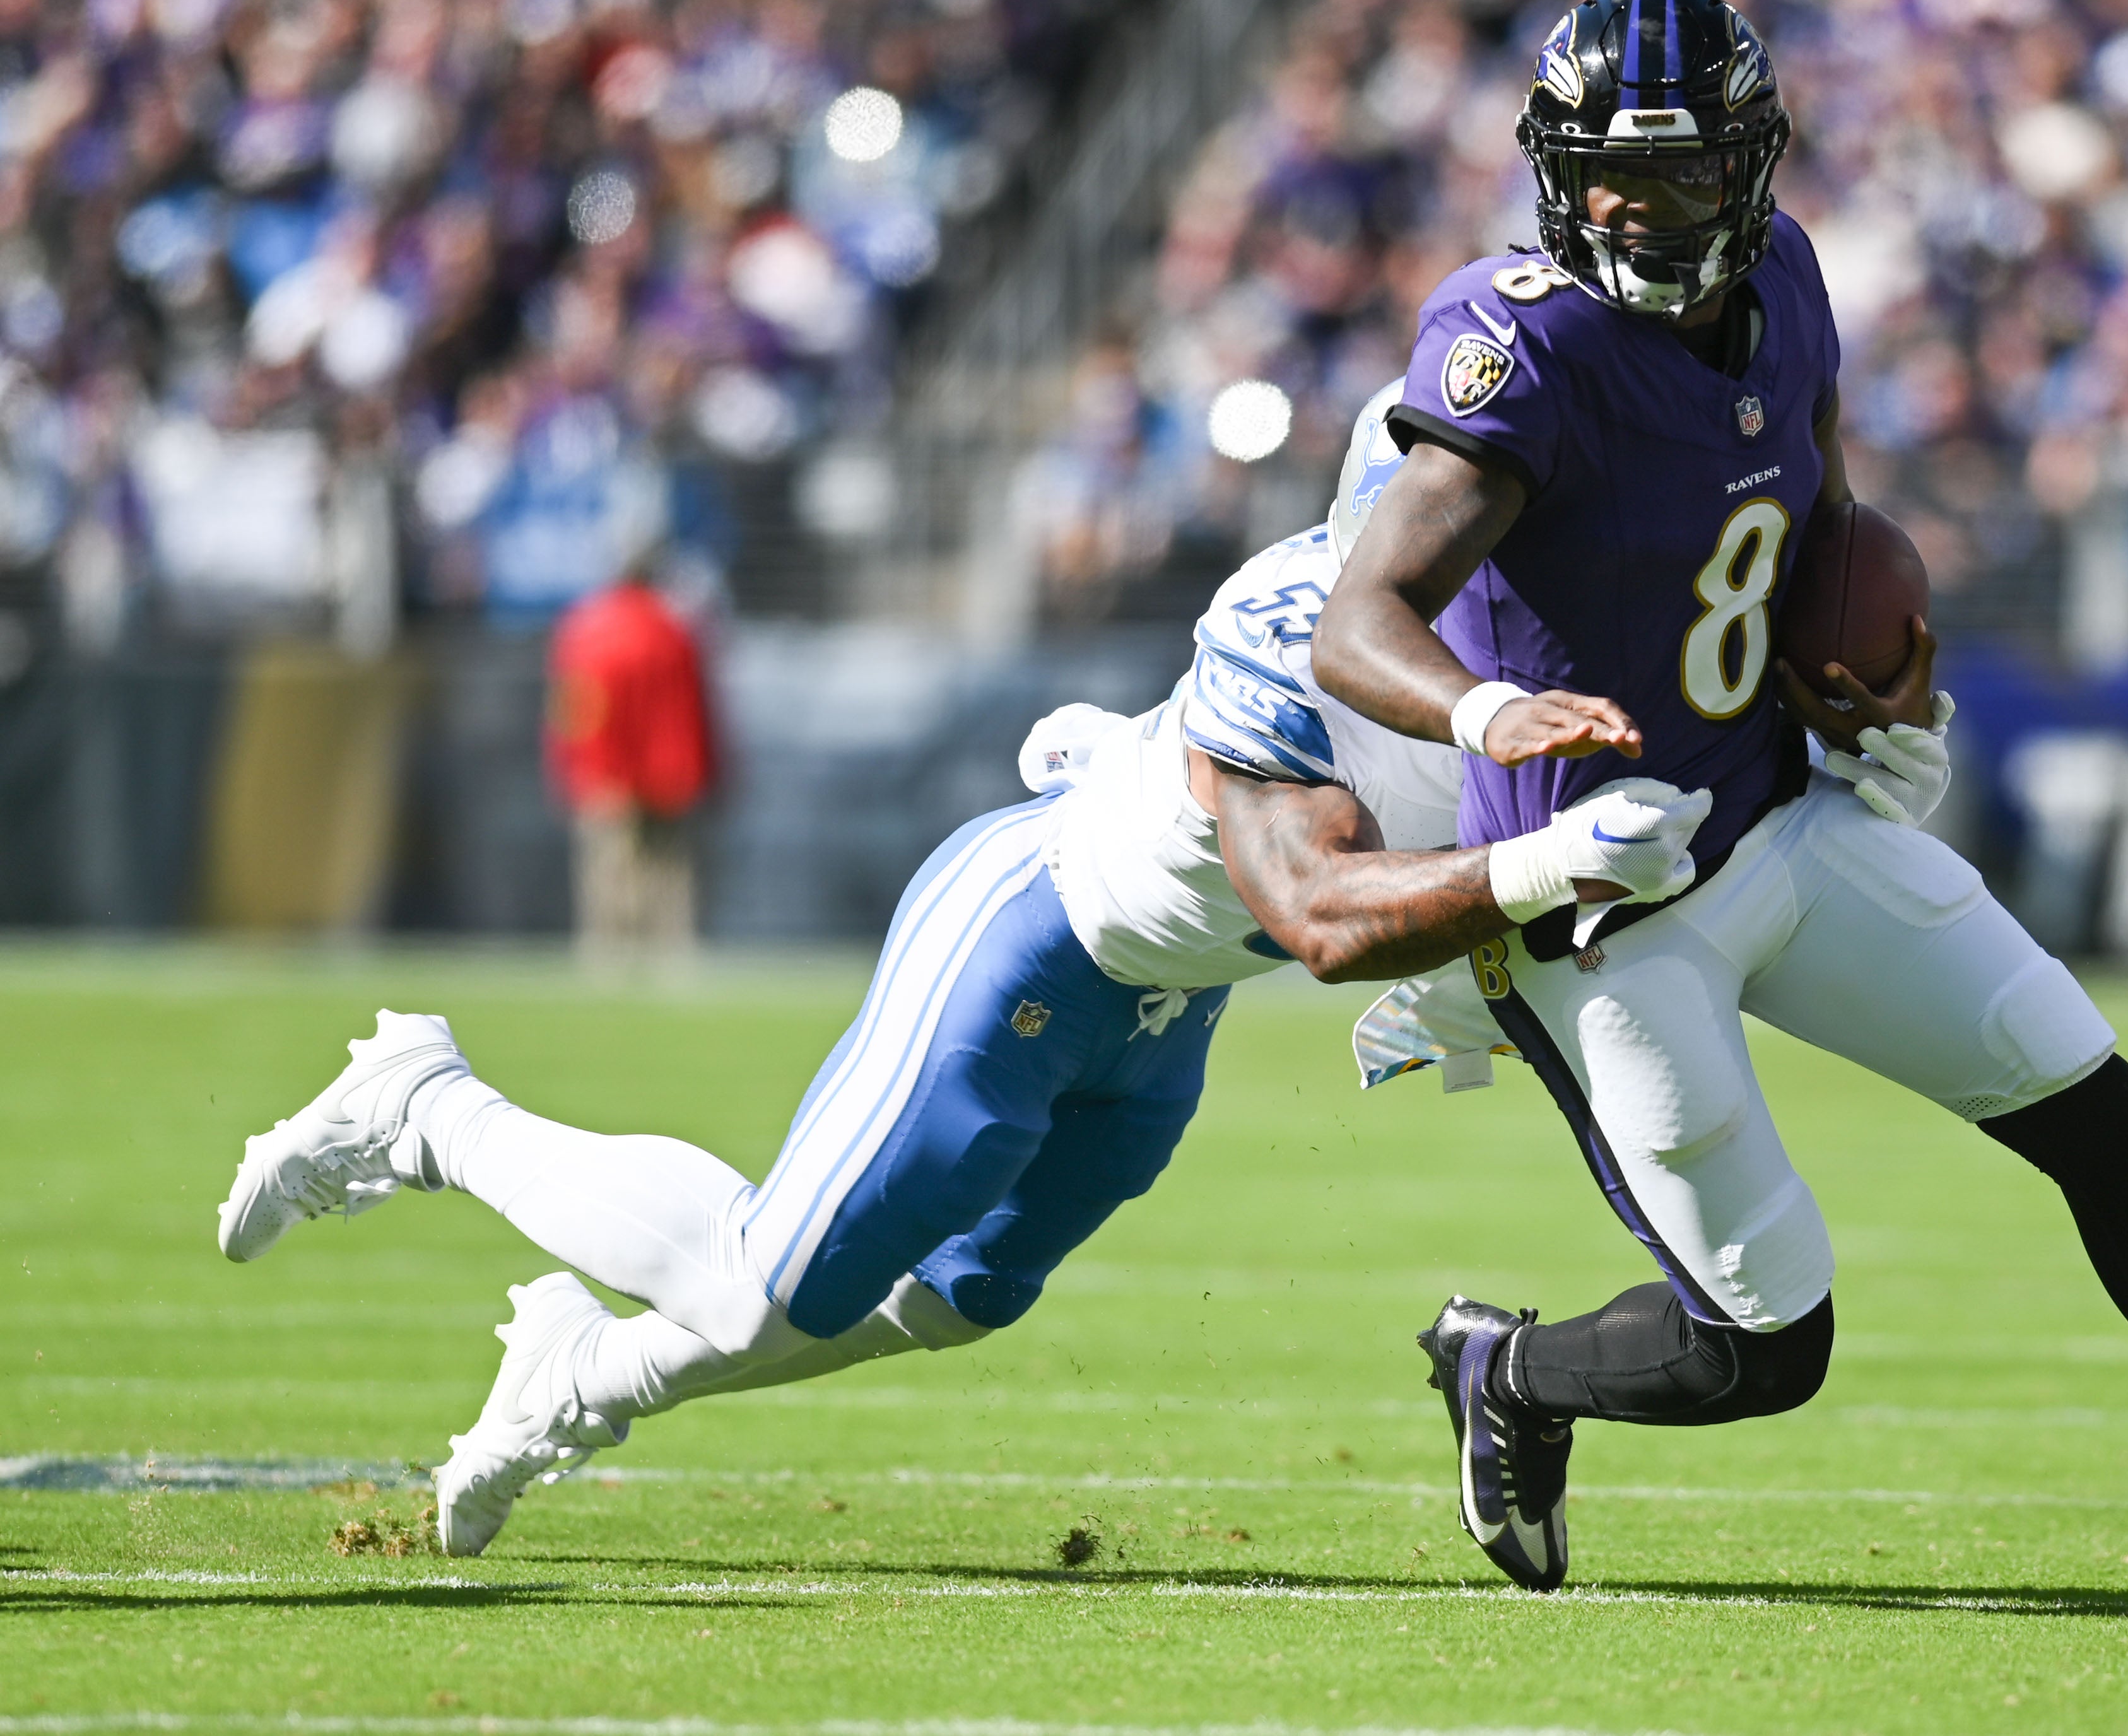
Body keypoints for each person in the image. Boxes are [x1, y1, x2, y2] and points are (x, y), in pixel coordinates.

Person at [1313, 0, 2128, 1605]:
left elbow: (1816, 507)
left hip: (1775, 817)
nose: (1641, 209)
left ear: (1752, 166)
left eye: (1681, 175)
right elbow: (1358, 620)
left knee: (2095, 1102)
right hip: (1602, 896)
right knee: (1770, 1343)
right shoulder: (1527, 346)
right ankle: (1510, 1371)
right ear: (1552, 170)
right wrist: (1490, 708)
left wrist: (1875, 687)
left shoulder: (1792, 278)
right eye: (1611, 174)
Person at [211, 384, 1824, 1558]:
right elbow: (1324, 897)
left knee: (953, 1293)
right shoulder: (1307, 634)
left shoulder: (1477, 657)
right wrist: (1528, 875)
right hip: (1035, 937)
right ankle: (431, 1105)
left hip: (1166, 1001)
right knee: (783, 1275)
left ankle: (573, 1368)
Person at [545, 563, 716, 957]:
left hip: (604, 771)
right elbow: (691, 710)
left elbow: (575, 709)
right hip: (670, 772)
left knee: (608, 873)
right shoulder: (674, 631)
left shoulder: (585, 631)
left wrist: (579, 768)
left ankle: (608, 958)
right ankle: (673, 959)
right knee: (669, 876)